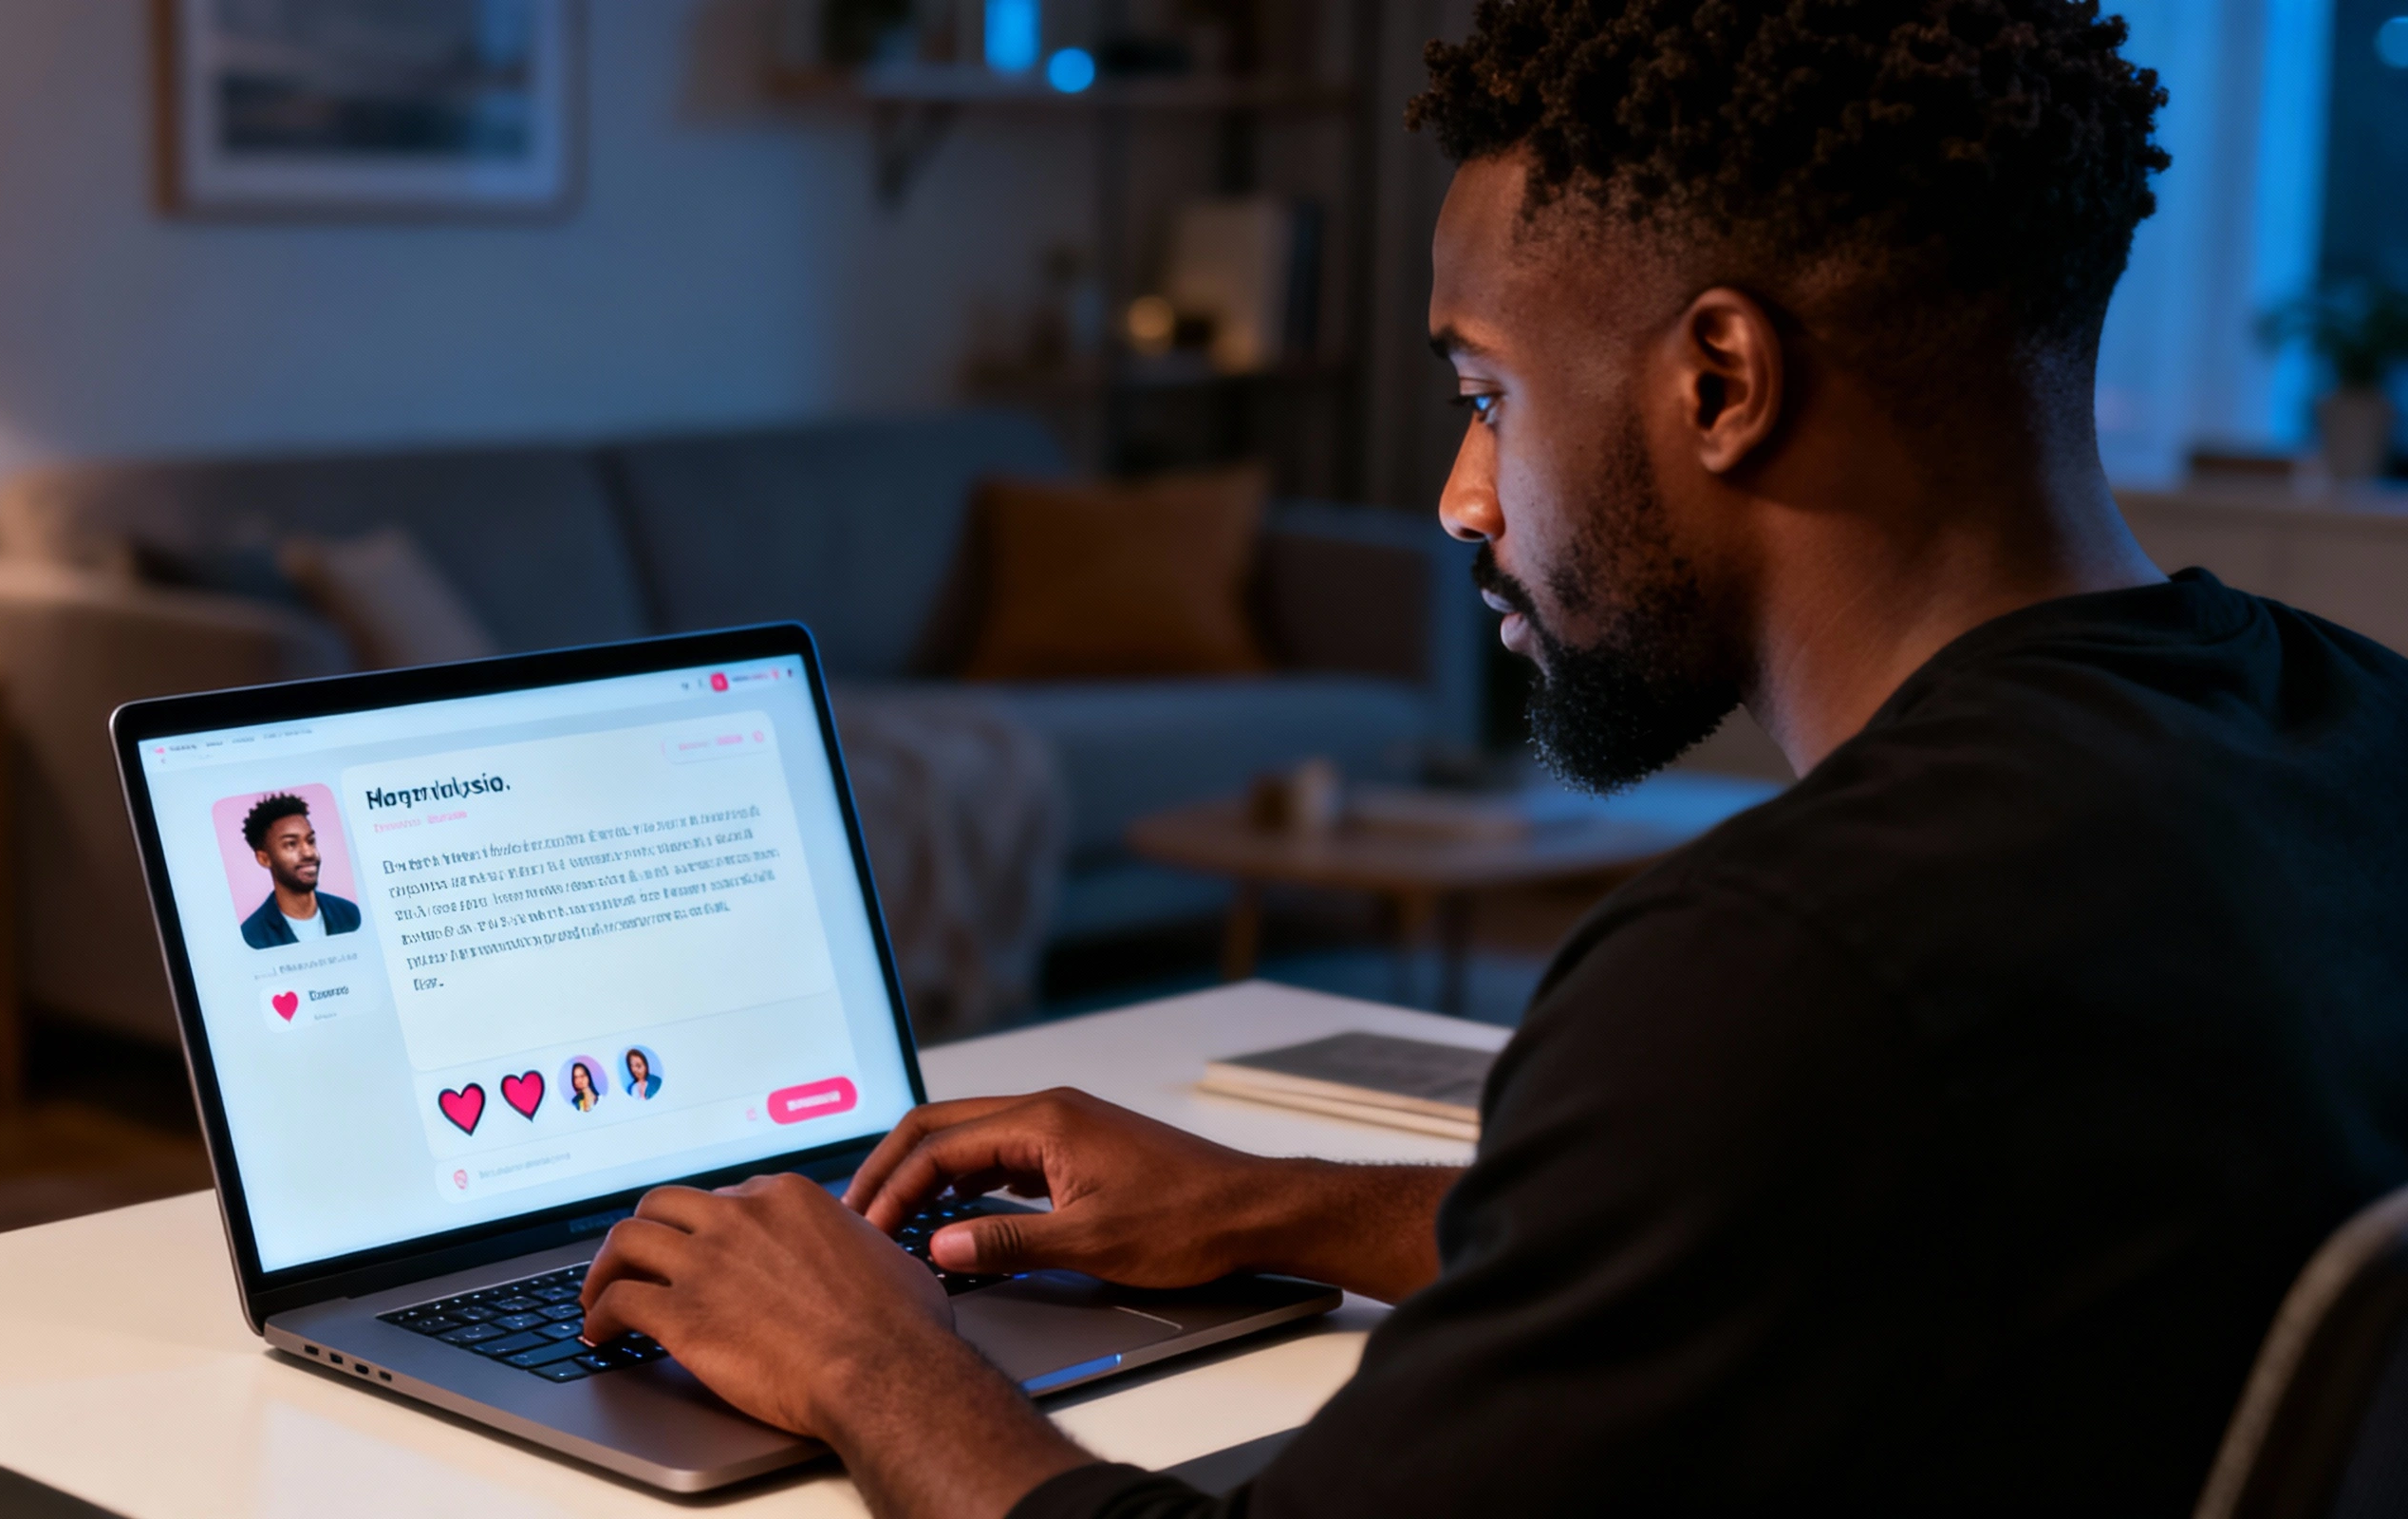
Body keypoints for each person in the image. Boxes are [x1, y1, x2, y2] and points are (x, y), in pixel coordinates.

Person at [575, 3, 2408, 1515]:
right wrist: (1277, 1206)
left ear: (1717, 384)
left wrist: (864, 1355)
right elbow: (1823, 1226)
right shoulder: (2348, 733)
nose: (1458, 499)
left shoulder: (1783, 967)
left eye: (1483, 398)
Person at [236, 794, 361, 949]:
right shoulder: (251, 939)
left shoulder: (350, 914)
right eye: (291, 844)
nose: (308, 853)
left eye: (311, 841)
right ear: (264, 858)